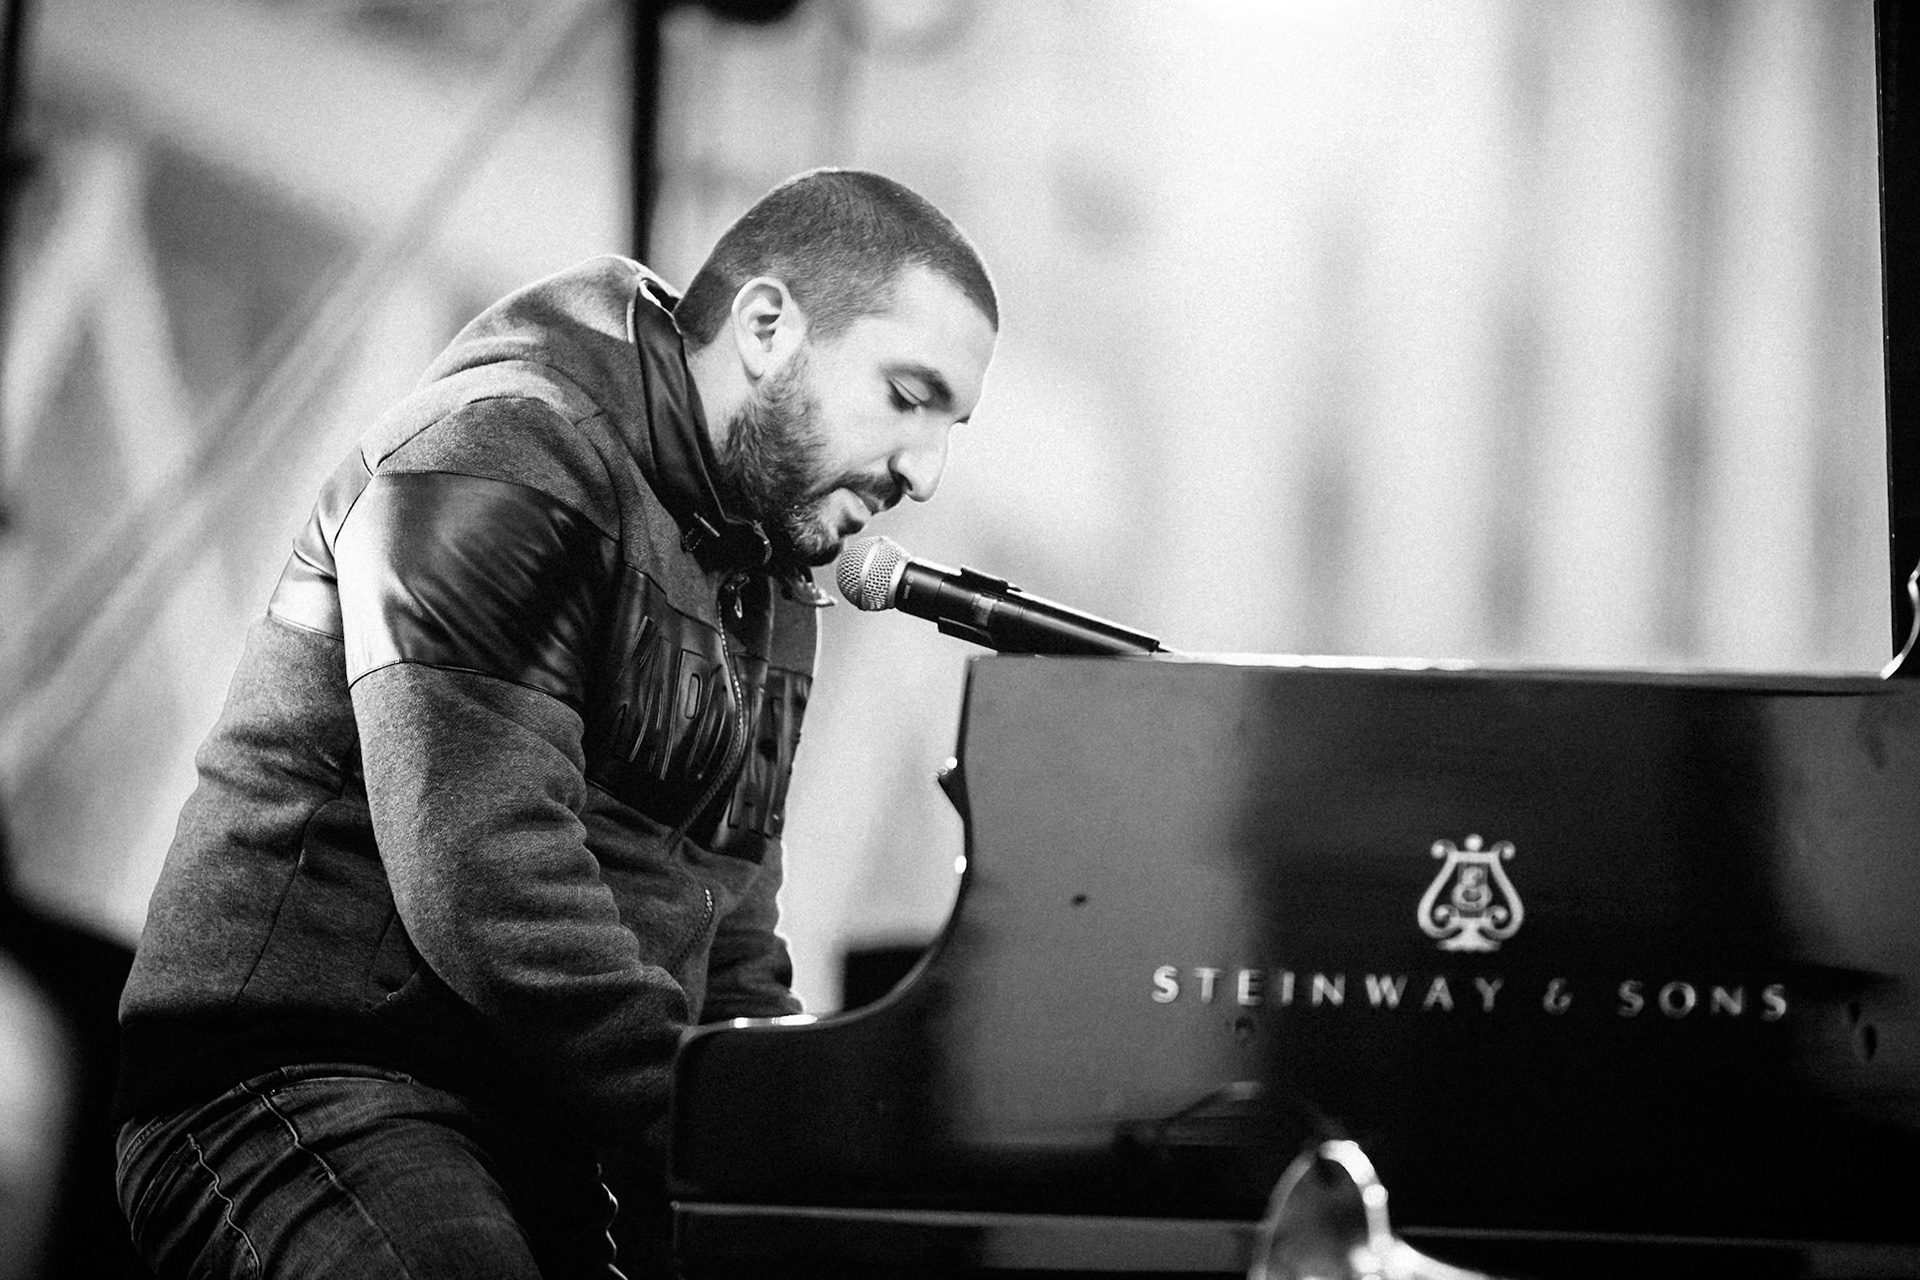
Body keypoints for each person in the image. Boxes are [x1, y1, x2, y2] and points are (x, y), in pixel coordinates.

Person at [111, 168, 998, 1278]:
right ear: (769, 326)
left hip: (537, 1121)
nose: (925, 470)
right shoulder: (503, 450)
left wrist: (792, 1163)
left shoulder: (771, 575)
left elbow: (731, 940)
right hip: (302, 1082)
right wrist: (752, 1132)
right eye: (909, 396)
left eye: (951, 425)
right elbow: (489, 885)